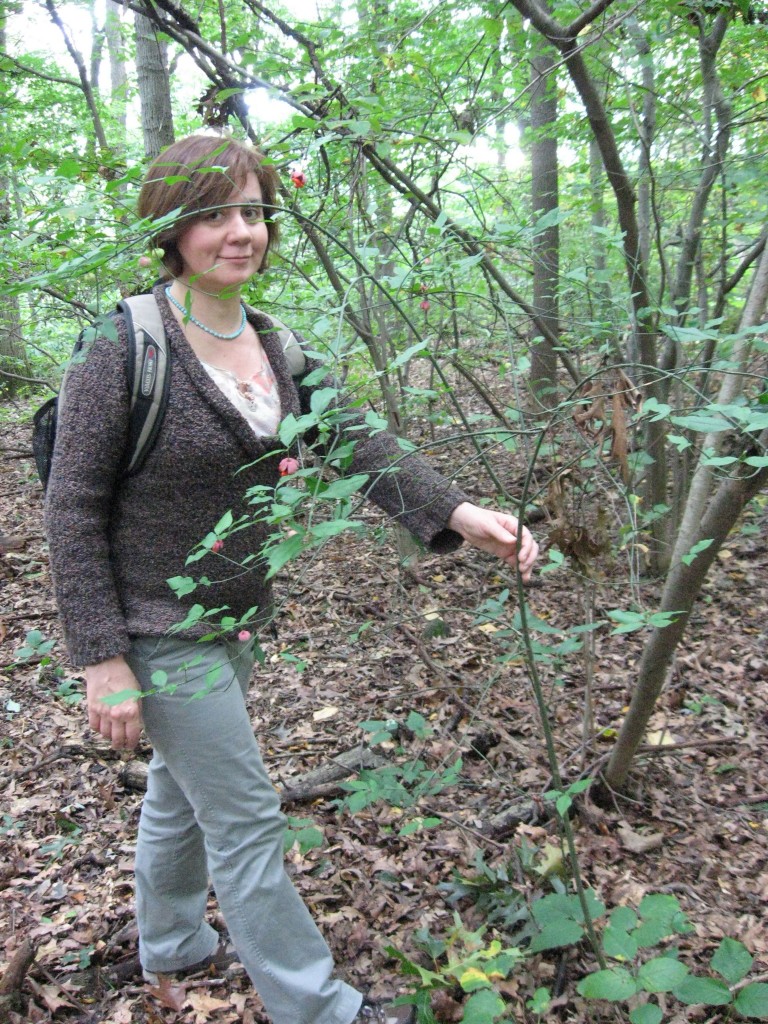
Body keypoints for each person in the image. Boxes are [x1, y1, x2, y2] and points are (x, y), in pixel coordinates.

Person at [44, 133, 539, 1024]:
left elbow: (356, 442)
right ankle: (321, 1009)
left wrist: (461, 514)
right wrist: (102, 657)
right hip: (159, 629)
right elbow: (71, 508)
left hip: (239, 617)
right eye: (214, 214)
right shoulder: (119, 345)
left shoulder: (275, 344)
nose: (241, 232)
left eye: (254, 212)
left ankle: (172, 946)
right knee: (244, 818)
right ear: (170, 226)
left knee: (180, 796)